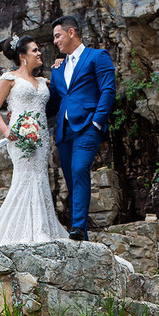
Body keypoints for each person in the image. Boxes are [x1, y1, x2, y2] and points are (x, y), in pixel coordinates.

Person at [0, 35, 70, 247]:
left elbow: (63, 89)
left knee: (40, 177)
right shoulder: (9, 78)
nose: (39, 53)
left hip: (41, 138)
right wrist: (6, 130)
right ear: (23, 56)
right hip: (20, 137)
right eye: (35, 50)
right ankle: (28, 231)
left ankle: (42, 227)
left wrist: (62, 65)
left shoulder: (42, 81)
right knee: (25, 177)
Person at [47, 16, 116, 242]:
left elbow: (108, 90)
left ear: (71, 32)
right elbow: (53, 103)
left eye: (57, 36)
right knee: (71, 179)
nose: (55, 41)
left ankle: (76, 227)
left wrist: (97, 121)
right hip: (64, 131)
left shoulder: (97, 56)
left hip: (88, 125)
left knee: (79, 170)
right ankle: (81, 235)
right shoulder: (57, 70)